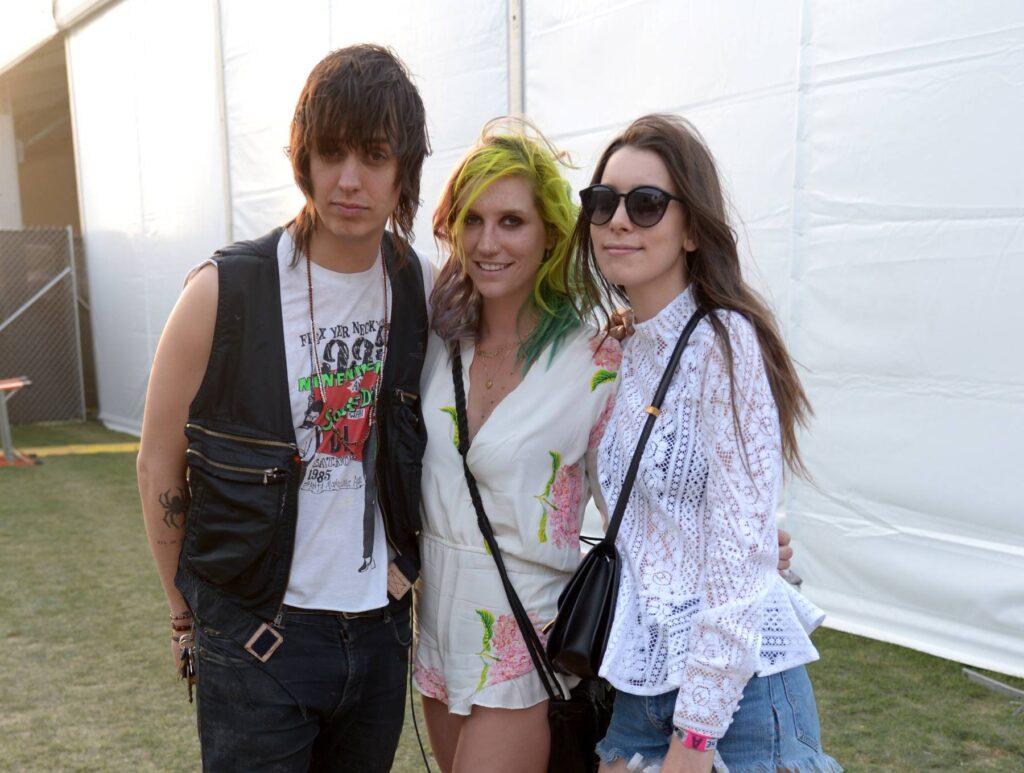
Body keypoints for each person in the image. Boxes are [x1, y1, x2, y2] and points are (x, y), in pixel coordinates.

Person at [411, 120, 797, 773]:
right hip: (447, 641)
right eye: (604, 203)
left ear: (549, 234)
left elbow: (715, 521)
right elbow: (641, 500)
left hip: (531, 639)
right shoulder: (440, 339)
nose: (487, 240)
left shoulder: (610, 358)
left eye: (511, 221)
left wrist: (753, 546)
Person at [137, 44, 432, 772]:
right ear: (303, 159)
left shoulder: (421, 284)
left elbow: (513, 338)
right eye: (330, 153)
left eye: (374, 154)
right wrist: (185, 612)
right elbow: (157, 461)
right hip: (255, 637)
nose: (350, 179)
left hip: (379, 634)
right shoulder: (222, 291)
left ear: (405, 168)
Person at [570, 113, 842, 773]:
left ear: (692, 227)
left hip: (735, 699)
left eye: (646, 203)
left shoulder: (725, 342)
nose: (619, 221)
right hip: (640, 682)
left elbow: (737, 558)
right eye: (603, 203)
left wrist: (694, 737)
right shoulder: (621, 347)